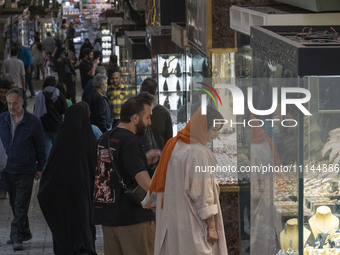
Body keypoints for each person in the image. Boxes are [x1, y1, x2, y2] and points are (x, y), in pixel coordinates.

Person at [143, 107, 228, 255]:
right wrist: (212, 228)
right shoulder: (199, 153)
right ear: (203, 126)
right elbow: (203, 195)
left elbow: (158, 179)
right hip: (192, 221)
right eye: (214, 129)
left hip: (172, 218)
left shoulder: (173, 144)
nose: (216, 134)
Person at [93, 96, 161, 255]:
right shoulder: (130, 140)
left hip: (108, 217)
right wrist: (157, 198)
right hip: (132, 218)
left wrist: (144, 158)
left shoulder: (104, 138)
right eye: (148, 117)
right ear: (135, 118)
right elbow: (140, 176)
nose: (150, 122)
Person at [37, 105, 97, 255]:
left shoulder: (60, 143)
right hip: (82, 203)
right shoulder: (88, 140)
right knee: (84, 235)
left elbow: (46, 183)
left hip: (62, 206)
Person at [0, 88, 46, 251]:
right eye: (9, 103)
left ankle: (16, 236)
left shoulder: (33, 122)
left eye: (14, 103)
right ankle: (24, 231)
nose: (11, 106)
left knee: (21, 204)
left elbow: (40, 146)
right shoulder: (2, 120)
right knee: (14, 203)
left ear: (21, 102)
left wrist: (40, 167)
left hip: (26, 169)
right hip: (7, 169)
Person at [33, 76, 68, 161]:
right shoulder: (58, 95)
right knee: (58, 151)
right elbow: (65, 110)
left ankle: (46, 170)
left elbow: (35, 111)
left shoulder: (39, 96)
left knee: (47, 152)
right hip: (57, 126)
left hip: (44, 127)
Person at [140, 78, 172, 150]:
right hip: (159, 156)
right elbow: (169, 139)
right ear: (155, 93)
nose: (149, 123)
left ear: (141, 90)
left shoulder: (133, 109)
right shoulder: (164, 112)